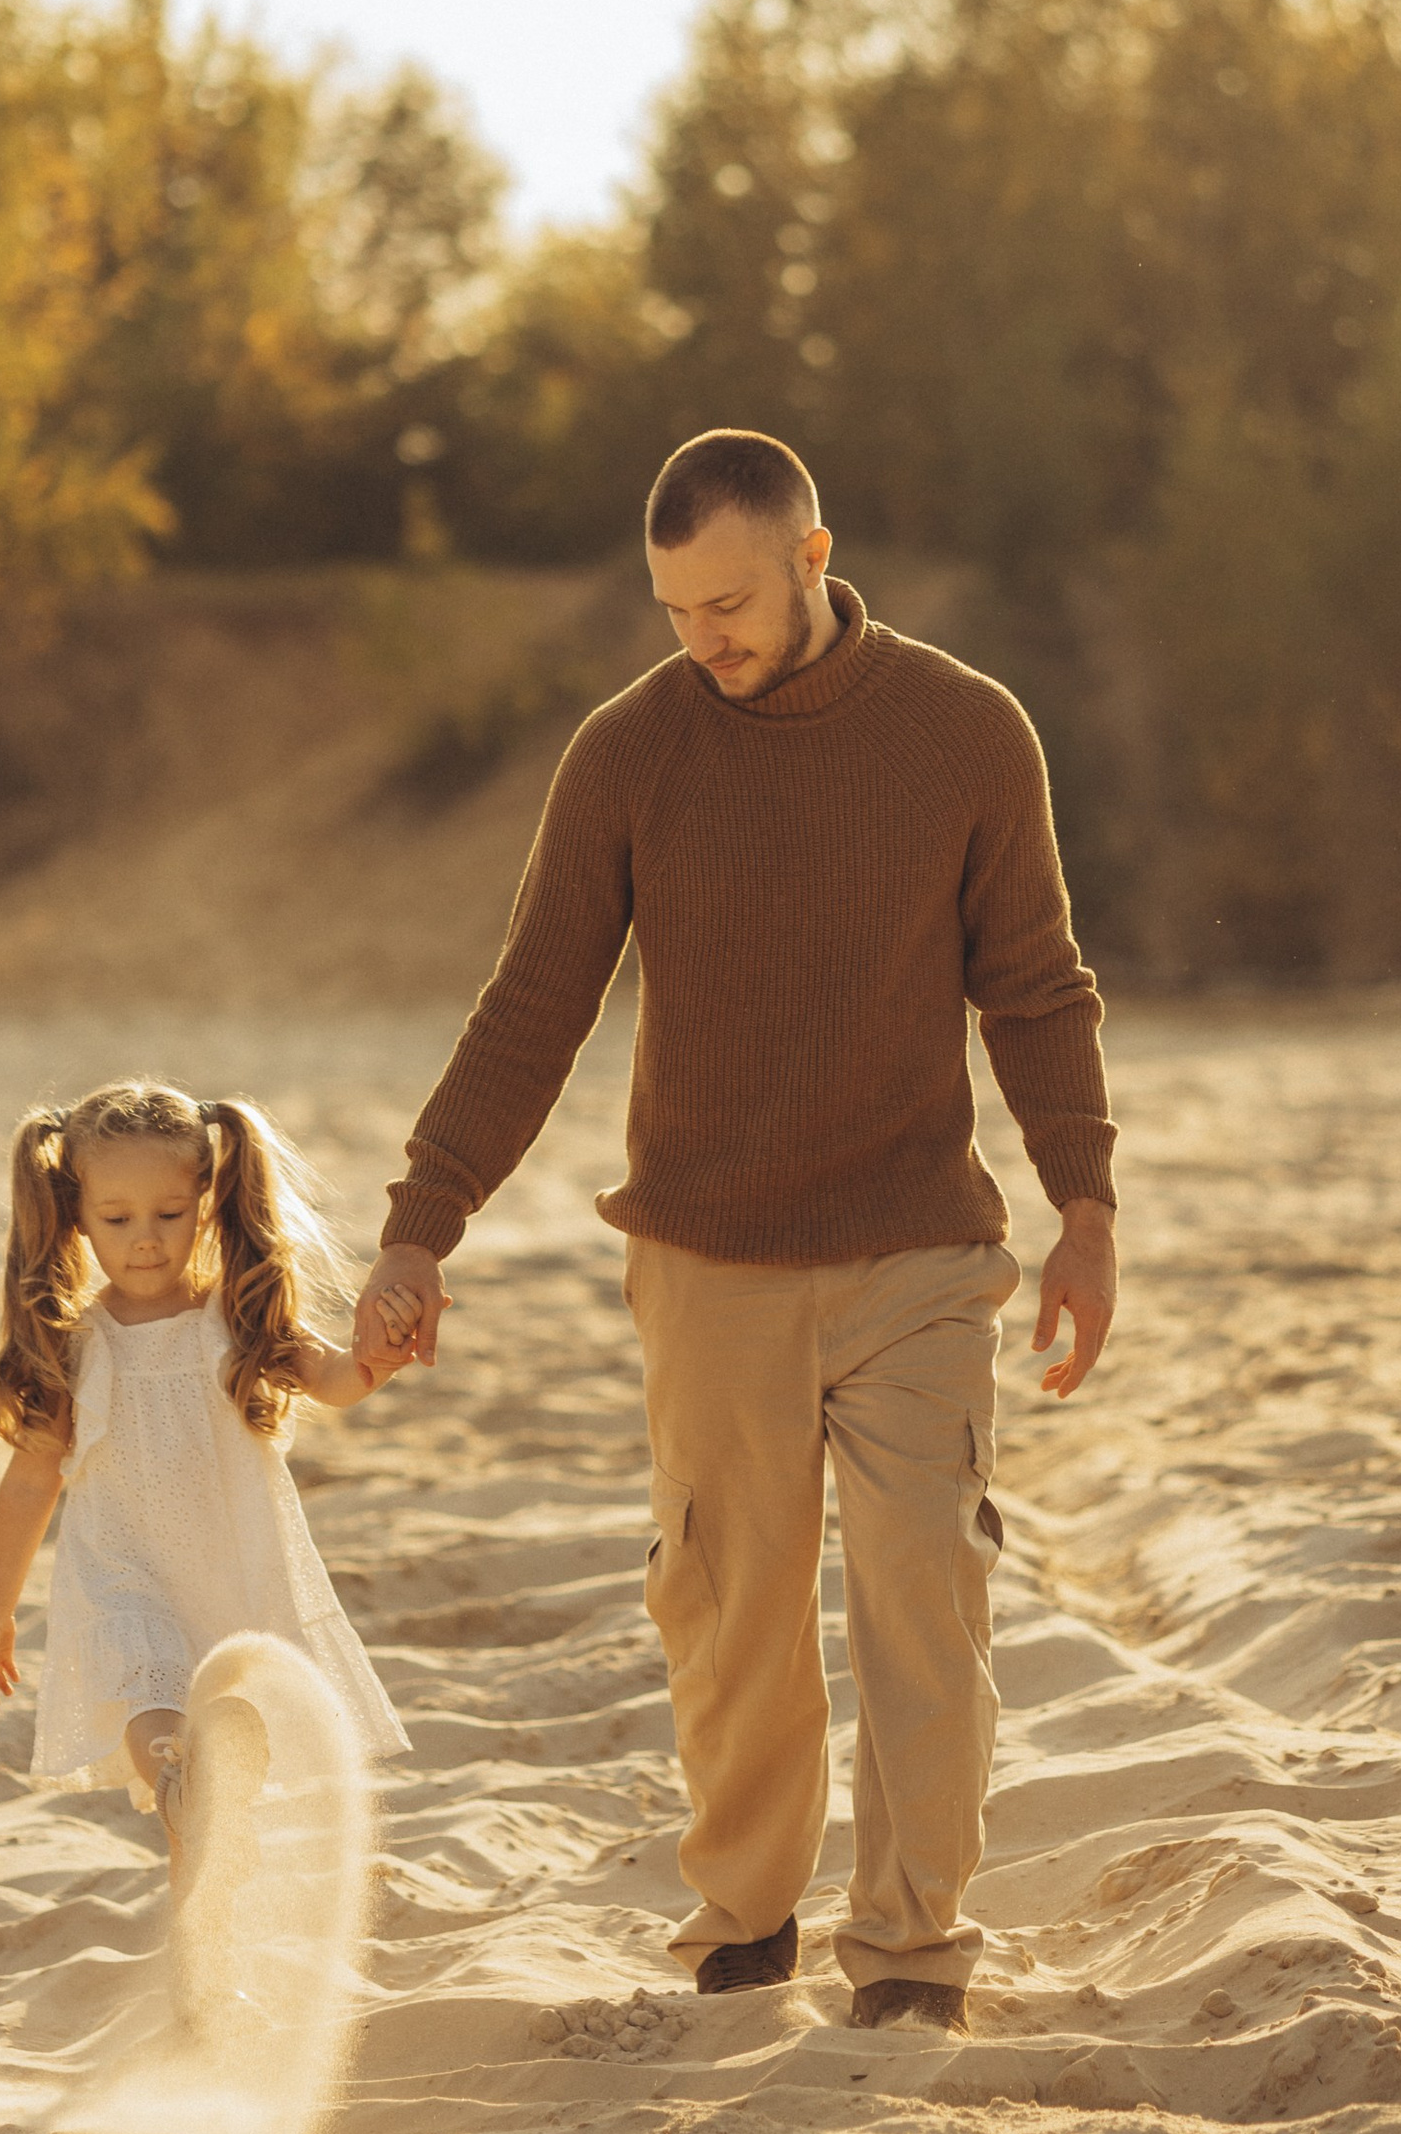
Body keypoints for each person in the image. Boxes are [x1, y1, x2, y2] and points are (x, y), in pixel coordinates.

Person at [352, 431, 1117, 2036]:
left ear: (814, 554)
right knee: (730, 1608)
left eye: (730, 602)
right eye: (675, 610)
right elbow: (536, 1003)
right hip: (707, 1257)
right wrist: (424, 1225)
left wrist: (1086, 1203)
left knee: (926, 1584)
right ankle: (747, 1928)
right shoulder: (631, 754)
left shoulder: (970, 733)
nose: (704, 638)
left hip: (916, 1245)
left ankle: (910, 1954)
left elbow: (1035, 984)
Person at [0, 1080, 412, 1881]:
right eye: (117, 1219)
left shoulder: (236, 1315)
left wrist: (379, 1355)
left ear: (206, 1200)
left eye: (168, 1215)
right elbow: (31, 1485)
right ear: (75, 1214)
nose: (145, 1240)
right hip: (121, 1568)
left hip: (226, 1563)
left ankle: (202, 1945)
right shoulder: (74, 1345)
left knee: (201, 1794)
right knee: (149, 1689)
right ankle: (180, 1780)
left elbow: (337, 1380)